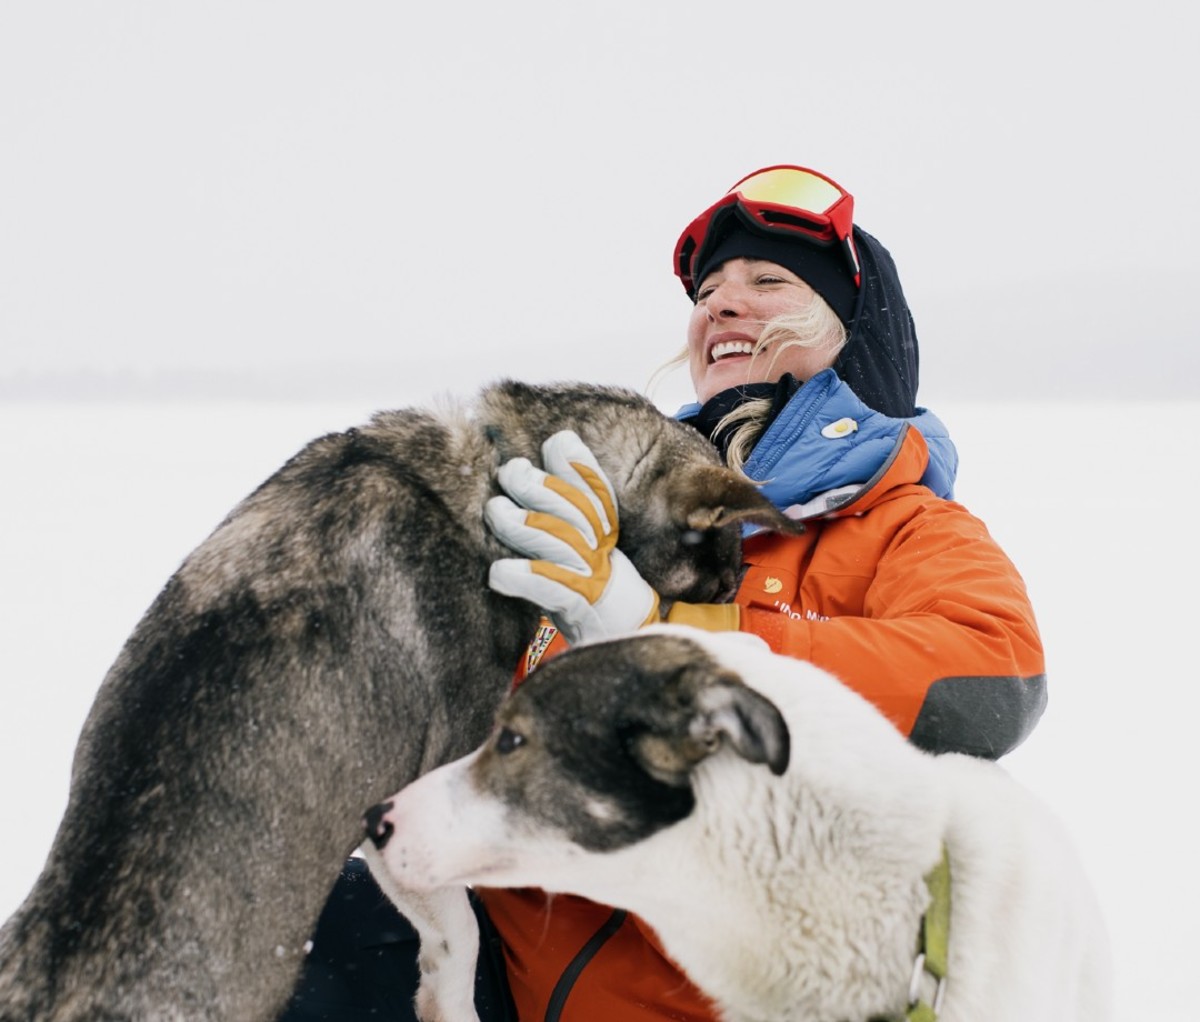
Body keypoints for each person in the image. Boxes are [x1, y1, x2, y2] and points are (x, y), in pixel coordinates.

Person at [280, 164, 1046, 1022]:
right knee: (288, 921)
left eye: (767, 282)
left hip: (717, 1000)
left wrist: (678, 633)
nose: (720, 304)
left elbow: (995, 677)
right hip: (496, 968)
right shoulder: (615, 521)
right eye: (709, 289)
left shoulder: (905, 526)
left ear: (854, 337)